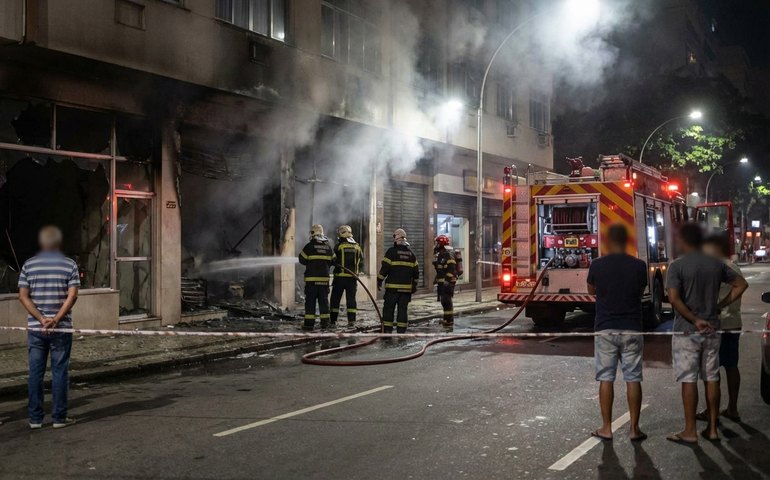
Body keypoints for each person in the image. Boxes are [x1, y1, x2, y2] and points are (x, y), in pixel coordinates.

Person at [666, 223, 747, 444]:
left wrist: (694, 319)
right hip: (713, 329)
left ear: (683, 241)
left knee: (689, 380)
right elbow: (741, 284)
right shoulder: (716, 265)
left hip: (687, 331)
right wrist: (720, 304)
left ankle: (690, 431)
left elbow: (674, 299)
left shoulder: (678, 265)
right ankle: (712, 429)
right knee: (712, 377)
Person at [586, 224, 648, 442]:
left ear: (608, 241)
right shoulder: (639, 266)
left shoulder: (597, 265)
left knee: (606, 378)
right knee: (633, 378)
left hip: (605, 328)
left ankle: (606, 428)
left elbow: (591, 290)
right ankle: (634, 429)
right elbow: (641, 292)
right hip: (632, 327)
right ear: (627, 240)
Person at [18, 226, 80, 429]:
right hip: (61, 329)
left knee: (35, 373)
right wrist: (55, 319)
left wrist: (41, 318)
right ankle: (59, 418)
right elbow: (72, 296)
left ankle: (35, 419)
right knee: (60, 372)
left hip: (36, 329)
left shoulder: (29, 265)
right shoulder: (69, 265)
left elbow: (23, 296)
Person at [698, 235, 744, 422]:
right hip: (733, 322)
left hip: (717, 324)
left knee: (711, 370)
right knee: (732, 366)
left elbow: (740, 287)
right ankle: (732, 408)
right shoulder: (732, 265)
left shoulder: (716, 267)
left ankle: (712, 412)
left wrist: (719, 305)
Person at [378, 228, 419, 333]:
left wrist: (379, 280)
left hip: (392, 289)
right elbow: (416, 273)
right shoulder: (412, 255)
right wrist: (414, 286)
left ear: (396, 238)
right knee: (402, 311)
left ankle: (387, 331)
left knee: (388, 310)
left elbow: (384, 269)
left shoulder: (391, 252)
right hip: (406, 291)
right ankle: (401, 332)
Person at [298, 224, 335, 330]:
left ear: (313, 233)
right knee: (324, 302)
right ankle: (325, 324)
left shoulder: (309, 246)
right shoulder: (328, 247)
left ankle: (309, 325)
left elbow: (302, 259)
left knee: (310, 302)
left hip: (311, 282)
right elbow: (334, 260)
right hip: (324, 281)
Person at [330, 225, 364, 326]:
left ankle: (333, 321)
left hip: (340, 278)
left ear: (341, 234)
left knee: (335, 299)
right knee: (351, 300)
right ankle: (352, 321)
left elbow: (333, 260)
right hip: (352, 279)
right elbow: (361, 260)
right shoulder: (357, 247)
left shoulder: (339, 246)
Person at [432, 235, 458, 327]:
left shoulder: (447, 254)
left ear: (441, 244)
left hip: (448, 282)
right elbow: (441, 270)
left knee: (447, 301)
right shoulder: (442, 254)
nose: (436, 245)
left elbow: (452, 269)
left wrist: (447, 281)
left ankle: (449, 320)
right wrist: (436, 279)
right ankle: (447, 319)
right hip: (444, 282)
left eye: (437, 243)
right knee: (444, 301)